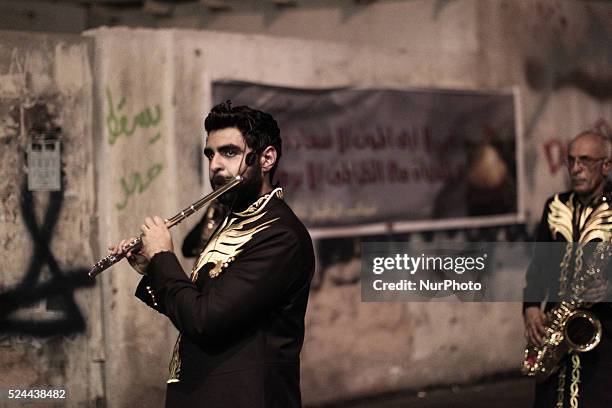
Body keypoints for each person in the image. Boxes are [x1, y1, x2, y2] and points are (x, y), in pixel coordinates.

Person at [110, 102, 315, 407]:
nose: (215, 165)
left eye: (229, 152)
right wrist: (152, 265)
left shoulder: (280, 236)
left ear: (266, 158)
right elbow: (196, 304)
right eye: (210, 154)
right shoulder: (232, 220)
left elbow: (203, 321)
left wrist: (164, 256)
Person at [523, 130, 612, 407]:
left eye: (585, 161)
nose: (575, 169)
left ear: (606, 166)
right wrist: (532, 306)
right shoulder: (555, 206)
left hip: (605, 332)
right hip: (558, 327)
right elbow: (539, 266)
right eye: (571, 160)